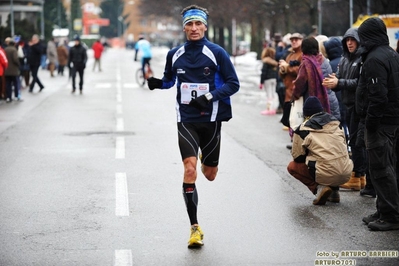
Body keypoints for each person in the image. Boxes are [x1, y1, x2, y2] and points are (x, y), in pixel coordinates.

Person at [146, 4, 240, 248]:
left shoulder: (217, 53)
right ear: (184, 27)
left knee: (209, 175)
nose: (194, 28)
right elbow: (169, 80)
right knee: (190, 171)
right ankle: (195, 227)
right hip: (186, 118)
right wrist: (158, 83)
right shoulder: (175, 54)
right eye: (190, 24)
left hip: (211, 119)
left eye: (198, 24)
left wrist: (208, 97)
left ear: (205, 26)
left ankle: (203, 155)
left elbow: (233, 84)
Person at [357, 17, 399, 231]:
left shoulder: (374, 59)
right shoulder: (391, 53)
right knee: (387, 167)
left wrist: (370, 123)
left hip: (380, 123)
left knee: (381, 169)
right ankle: (383, 209)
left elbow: (378, 96)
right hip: (391, 120)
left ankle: (390, 215)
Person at [323, 29, 373, 197]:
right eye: (347, 40)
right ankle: (359, 176)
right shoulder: (344, 59)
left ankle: (359, 175)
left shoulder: (362, 59)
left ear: (359, 41)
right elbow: (340, 76)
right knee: (354, 140)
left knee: (358, 142)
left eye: (352, 40)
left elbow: (359, 82)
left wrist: (339, 82)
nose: (350, 43)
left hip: (359, 106)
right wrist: (333, 79)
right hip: (348, 105)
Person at [287, 96, 352, 205]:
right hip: (345, 172)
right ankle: (334, 192)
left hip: (324, 172)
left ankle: (319, 189)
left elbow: (297, 156)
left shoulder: (303, 129)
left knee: (292, 166)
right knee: (332, 156)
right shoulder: (337, 124)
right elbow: (343, 146)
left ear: (306, 114)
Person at [291, 37, 331, 113]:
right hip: (327, 98)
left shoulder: (306, 63)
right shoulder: (324, 60)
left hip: (311, 101)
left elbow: (300, 84)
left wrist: (294, 96)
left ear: (303, 48)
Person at [279, 33, 303, 149]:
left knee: (297, 117)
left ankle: (298, 142)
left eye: (296, 40)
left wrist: (286, 67)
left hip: (297, 91)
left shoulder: (302, 54)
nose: (294, 42)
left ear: (301, 40)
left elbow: (300, 70)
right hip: (288, 90)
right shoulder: (290, 55)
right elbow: (284, 73)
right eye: (292, 40)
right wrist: (282, 69)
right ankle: (293, 140)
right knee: (290, 117)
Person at [259, 46, 278, 115]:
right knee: (273, 95)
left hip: (267, 80)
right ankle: (273, 109)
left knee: (269, 95)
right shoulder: (274, 62)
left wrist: (261, 82)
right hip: (274, 79)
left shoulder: (265, 61)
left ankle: (269, 109)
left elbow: (264, 72)